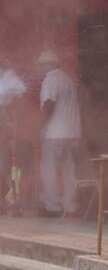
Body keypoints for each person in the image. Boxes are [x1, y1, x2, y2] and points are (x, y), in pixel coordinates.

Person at [37, 50, 82, 216]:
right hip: (73, 133)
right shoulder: (68, 80)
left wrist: (39, 127)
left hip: (54, 133)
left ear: (47, 65)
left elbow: (49, 105)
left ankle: (52, 206)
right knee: (69, 171)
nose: (40, 68)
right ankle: (71, 206)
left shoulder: (50, 80)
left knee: (49, 169)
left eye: (41, 65)